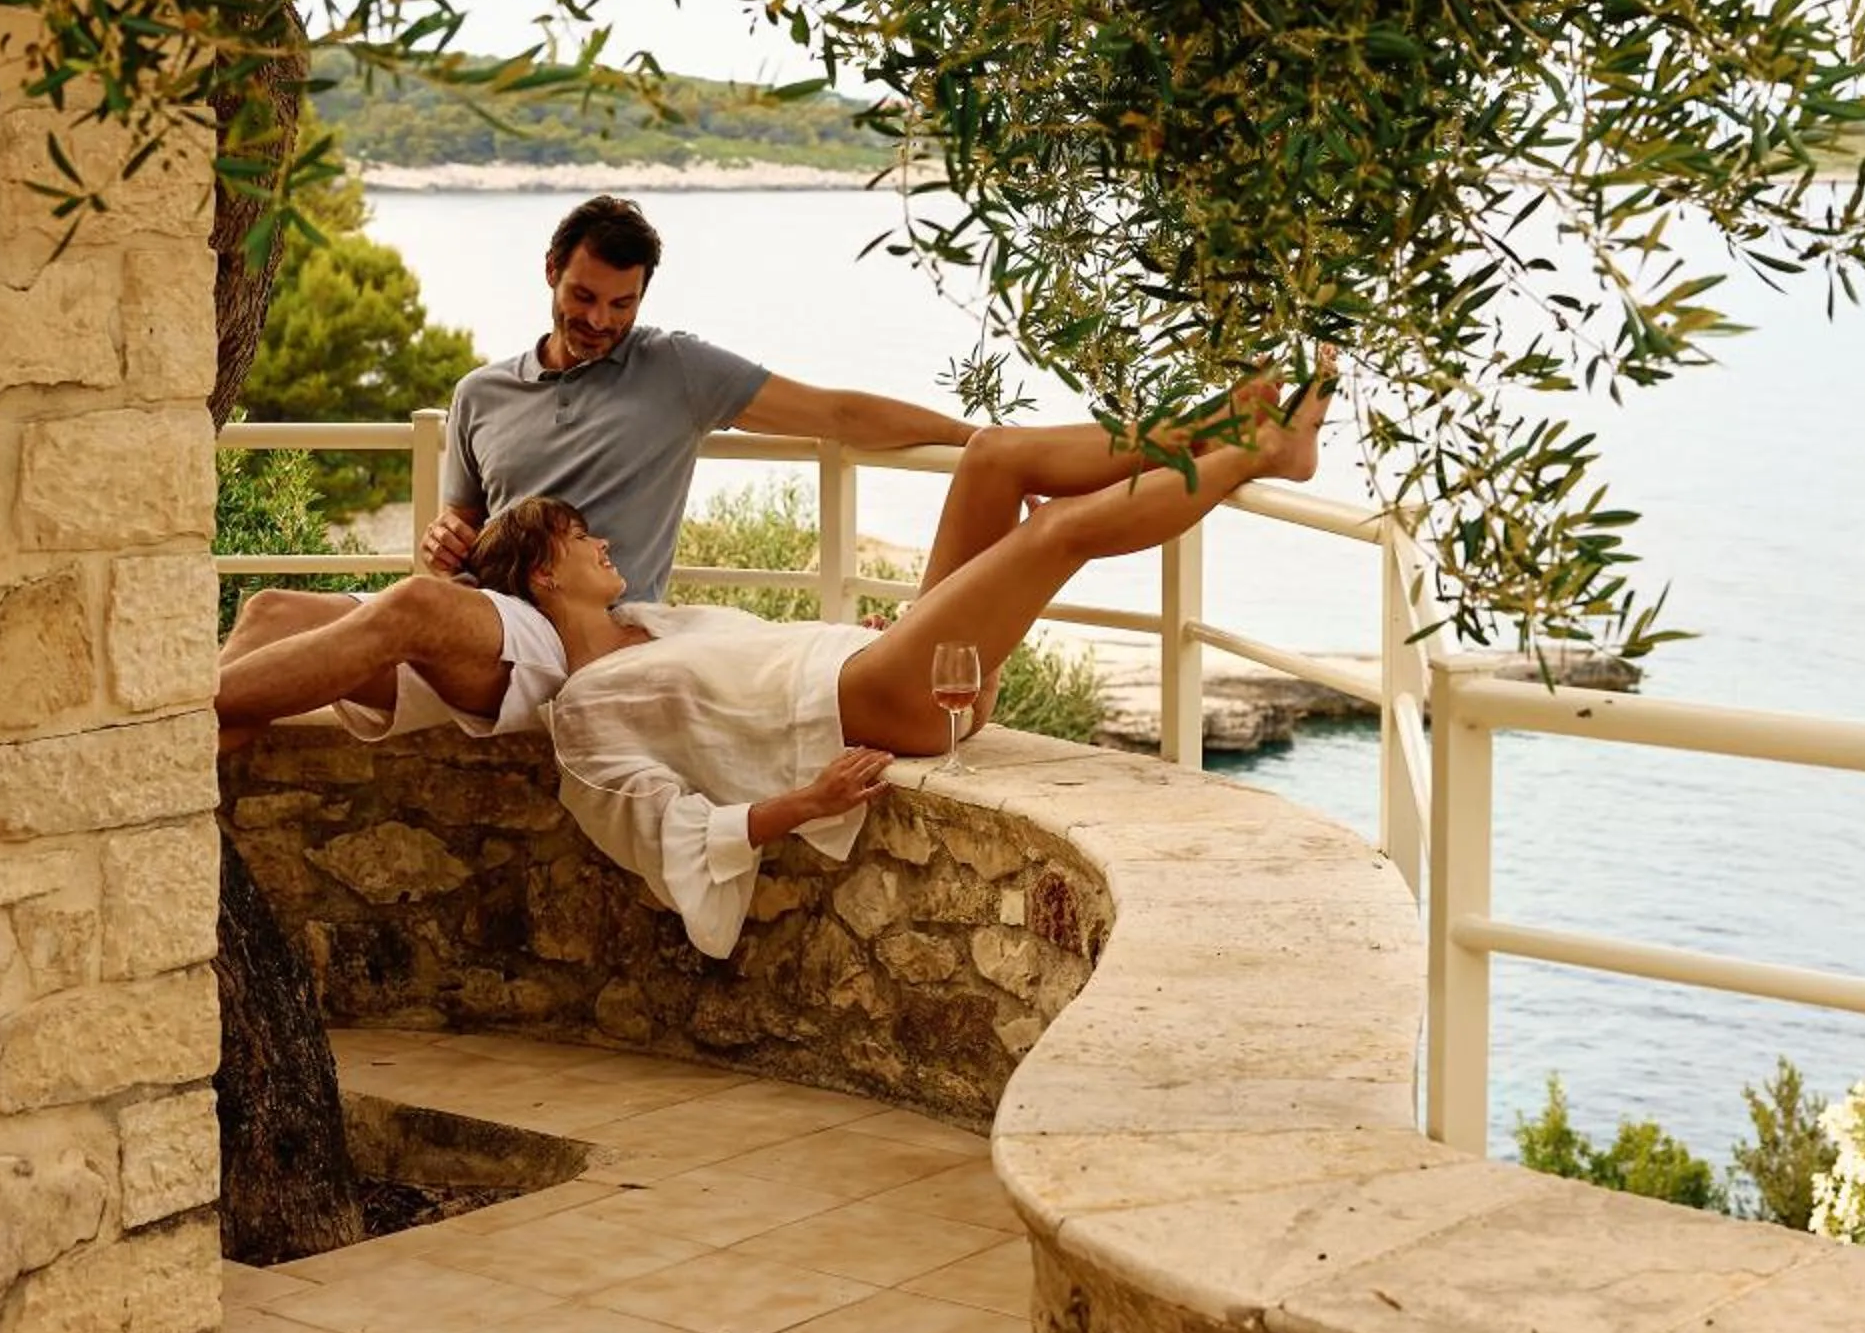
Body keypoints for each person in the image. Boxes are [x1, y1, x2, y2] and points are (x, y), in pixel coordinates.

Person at [466, 366, 1331, 956]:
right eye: (579, 538)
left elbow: (762, 665)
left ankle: (1221, 421)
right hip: (880, 705)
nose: (604, 542)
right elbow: (663, 833)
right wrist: (804, 803)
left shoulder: (654, 621)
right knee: (1057, 531)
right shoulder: (585, 711)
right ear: (543, 573)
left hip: (879, 665)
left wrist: (875, 633)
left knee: (995, 458)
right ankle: (1260, 453)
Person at [215, 194, 976, 750]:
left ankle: (169, 718)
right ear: (551, 271)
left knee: (409, 605)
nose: (600, 320)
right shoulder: (480, 393)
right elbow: (463, 534)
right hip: (477, 619)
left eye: (622, 304)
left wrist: (971, 439)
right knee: (268, 612)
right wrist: (445, 539)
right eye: (583, 296)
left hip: (575, 639)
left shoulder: (677, 370)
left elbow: (835, 413)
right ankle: (198, 786)